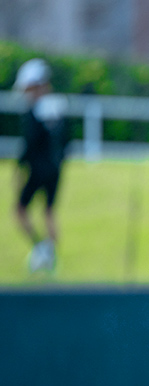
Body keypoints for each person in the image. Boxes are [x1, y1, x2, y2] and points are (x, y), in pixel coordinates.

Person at [12, 58, 69, 272]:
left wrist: (20, 167)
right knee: (49, 212)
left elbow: (30, 144)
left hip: (37, 169)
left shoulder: (34, 111)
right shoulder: (58, 107)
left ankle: (40, 249)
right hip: (55, 169)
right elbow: (65, 142)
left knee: (20, 210)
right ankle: (50, 256)